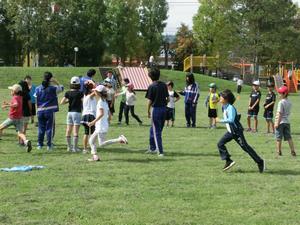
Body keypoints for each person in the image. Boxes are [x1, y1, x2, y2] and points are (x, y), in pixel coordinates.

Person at [216, 89, 265, 173]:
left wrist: (220, 120)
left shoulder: (230, 107)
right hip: (230, 131)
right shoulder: (224, 106)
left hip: (236, 132)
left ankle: (260, 162)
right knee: (220, 144)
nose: (220, 98)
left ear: (226, 99)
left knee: (246, 148)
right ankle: (228, 160)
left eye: (221, 97)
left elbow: (231, 120)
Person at [88, 85, 128, 161]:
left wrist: (93, 122)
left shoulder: (100, 102)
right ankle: (95, 157)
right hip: (102, 125)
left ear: (99, 93)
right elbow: (108, 112)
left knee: (101, 144)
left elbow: (101, 114)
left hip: (101, 126)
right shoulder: (104, 100)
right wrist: (109, 118)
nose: (94, 92)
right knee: (91, 141)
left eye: (95, 91)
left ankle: (119, 139)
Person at [35, 72, 63, 150]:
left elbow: (35, 97)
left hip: (40, 111)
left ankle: (39, 144)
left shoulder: (37, 88)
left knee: (41, 128)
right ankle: (49, 145)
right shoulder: (53, 88)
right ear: (51, 79)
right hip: (49, 111)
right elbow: (61, 88)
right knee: (49, 128)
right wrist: (56, 81)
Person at [0, 84, 32, 152]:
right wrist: (8, 103)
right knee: (20, 133)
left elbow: (16, 104)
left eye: (11, 90)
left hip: (12, 118)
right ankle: (26, 141)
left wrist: (7, 105)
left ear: (14, 91)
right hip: (20, 118)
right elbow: (16, 104)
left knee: (0, 127)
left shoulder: (15, 97)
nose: (10, 91)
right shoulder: (20, 97)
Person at [145, 68, 169, 156]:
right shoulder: (163, 85)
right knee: (153, 130)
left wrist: (148, 111)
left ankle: (160, 151)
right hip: (164, 109)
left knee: (156, 131)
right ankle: (152, 148)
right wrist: (164, 104)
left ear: (150, 77)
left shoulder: (151, 86)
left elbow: (149, 101)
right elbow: (168, 98)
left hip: (155, 110)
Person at [60, 77, 83, 152]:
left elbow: (62, 102)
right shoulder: (80, 93)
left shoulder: (68, 93)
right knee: (75, 131)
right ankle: (75, 148)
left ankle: (69, 147)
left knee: (68, 130)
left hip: (69, 113)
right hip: (77, 113)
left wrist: (68, 101)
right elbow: (84, 102)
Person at [274, 86, 296, 157]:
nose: (278, 94)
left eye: (280, 93)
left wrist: (277, 123)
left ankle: (278, 152)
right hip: (287, 122)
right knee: (289, 137)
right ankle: (293, 151)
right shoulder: (289, 102)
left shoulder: (281, 102)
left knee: (278, 138)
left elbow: (280, 113)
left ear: (284, 94)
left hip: (280, 122)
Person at [81, 81, 97, 154]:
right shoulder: (90, 96)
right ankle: (92, 148)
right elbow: (97, 90)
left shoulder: (85, 96)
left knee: (86, 133)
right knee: (93, 133)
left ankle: (85, 149)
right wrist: (93, 84)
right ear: (91, 89)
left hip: (84, 116)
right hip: (90, 116)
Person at [18, 80, 32, 145]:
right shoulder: (27, 94)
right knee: (24, 129)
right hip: (26, 113)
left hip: (19, 113)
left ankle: (20, 141)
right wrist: (31, 111)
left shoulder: (18, 94)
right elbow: (29, 104)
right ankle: (23, 141)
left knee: (20, 129)